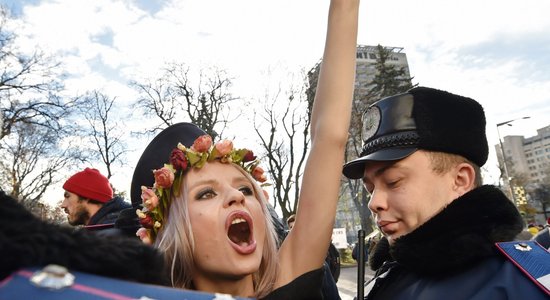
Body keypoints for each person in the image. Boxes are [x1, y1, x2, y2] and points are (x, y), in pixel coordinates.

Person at [132, 0, 359, 298]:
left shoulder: (289, 281)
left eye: (247, 189)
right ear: (171, 236)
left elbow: (329, 136)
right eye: (206, 193)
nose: (237, 196)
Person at [342, 87, 549, 299]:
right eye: (370, 189)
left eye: (393, 182)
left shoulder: (523, 286)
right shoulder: (388, 275)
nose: (373, 202)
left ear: (460, 180)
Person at [61, 167, 134, 237]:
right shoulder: (107, 231)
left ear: (87, 196)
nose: (63, 205)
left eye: (67, 196)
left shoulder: (108, 240)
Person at [286, 213, 341, 299]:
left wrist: (333, 280)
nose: (294, 230)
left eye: (296, 226)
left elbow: (335, 263)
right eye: (291, 227)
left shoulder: (319, 246)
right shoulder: (288, 252)